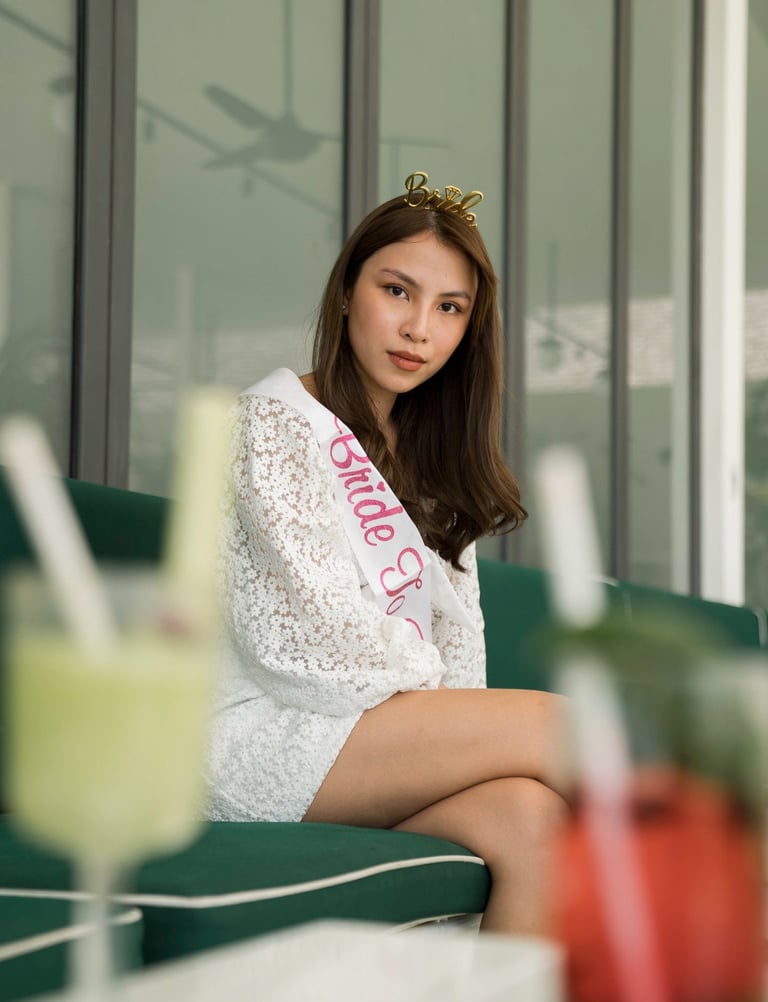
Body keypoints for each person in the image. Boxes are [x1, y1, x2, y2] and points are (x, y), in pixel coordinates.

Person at [209, 171, 568, 936]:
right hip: (253, 738)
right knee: (564, 728)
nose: (418, 329)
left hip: (361, 744)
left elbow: (459, 654)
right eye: (397, 291)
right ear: (347, 293)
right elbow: (305, 648)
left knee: (534, 818)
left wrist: (452, 730)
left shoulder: (432, 465)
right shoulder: (274, 422)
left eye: (449, 308)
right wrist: (446, 720)